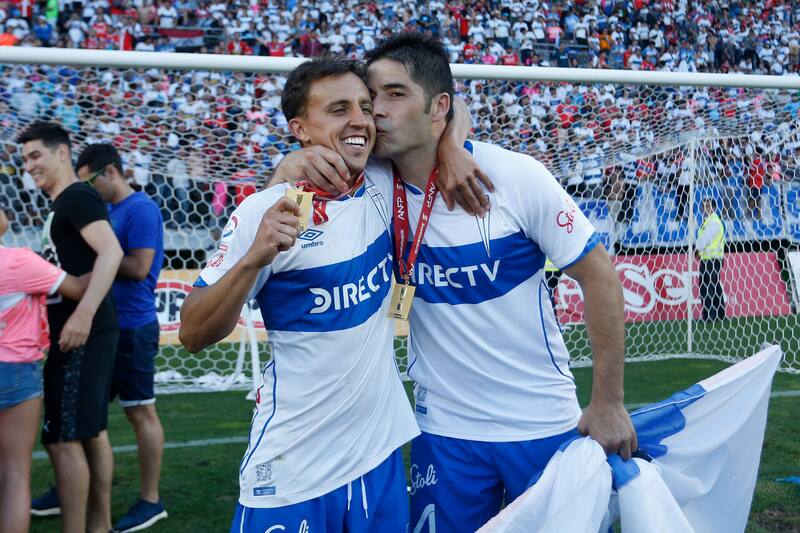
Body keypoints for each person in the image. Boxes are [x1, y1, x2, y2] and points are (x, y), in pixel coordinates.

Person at [275, 33, 636, 533]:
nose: (374, 110)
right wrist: (289, 164)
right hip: (442, 431)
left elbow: (599, 275)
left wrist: (609, 402)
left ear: (439, 105)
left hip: (543, 423)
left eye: (394, 95)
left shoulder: (513, 177)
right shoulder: (372, 182)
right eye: (371, 96)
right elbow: (301, 168)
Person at [178, 58, 420, 533]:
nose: (358, 120)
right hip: (294, 467)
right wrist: (253, 256)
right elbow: (192, 332)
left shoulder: (384, 179)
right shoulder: (264, 211)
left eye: (364, 107)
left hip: (380, 455)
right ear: (301, 129)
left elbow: (446, 109)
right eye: (337, 109)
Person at [18, 121, 123, 533]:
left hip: (85, 330)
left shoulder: (76, 197)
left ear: (62, 152)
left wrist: (83, 314)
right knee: (91, 432)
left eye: (36, 155)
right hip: (85, 329)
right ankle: (99, 526)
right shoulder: (65, 203)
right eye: (25, 158)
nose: (29, 165)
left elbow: (111, 252)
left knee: (62, 438)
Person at [75, 143, 168, 533]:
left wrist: (101, 256)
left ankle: (151, 500)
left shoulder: (141, 208)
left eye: (88, 182)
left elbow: (140, 265)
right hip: (107, 326)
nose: (86, 191)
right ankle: (72, 488)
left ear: (110, 172)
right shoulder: (108, 211)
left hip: (133, 327)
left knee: (139, 411)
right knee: (85, 414)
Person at [0, 207, 88, 533]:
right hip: (16, 370)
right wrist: (106, 258)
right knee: (14, 473)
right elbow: (78, 288)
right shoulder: (18, 261)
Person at [695, 197, 726, 321]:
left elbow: (705, 239)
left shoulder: (713, 221)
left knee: (706, 288)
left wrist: (697, 249)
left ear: (713, 208)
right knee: (715, 286)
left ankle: (709, 316)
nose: (705, 209)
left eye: (708, 206)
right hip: (713, 258)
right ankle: (719, 314)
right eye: (704, 206)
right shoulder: (710, 220)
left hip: (711, 259)